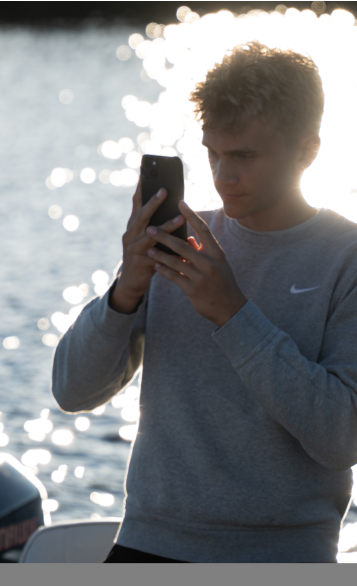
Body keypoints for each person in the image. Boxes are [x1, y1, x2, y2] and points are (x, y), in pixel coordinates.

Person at [52, 42, 357, 563]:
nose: (221, 176)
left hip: (283, 555)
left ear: (307, 151)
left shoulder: (345, 258)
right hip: (147, 542)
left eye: (243, 156)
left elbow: (342, 438)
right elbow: (72, 392)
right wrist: (126, 290)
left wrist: (232, 313)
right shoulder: (180, 240)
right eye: (213, 152)